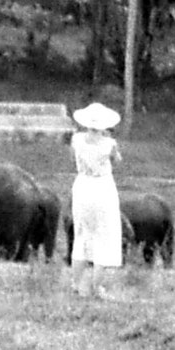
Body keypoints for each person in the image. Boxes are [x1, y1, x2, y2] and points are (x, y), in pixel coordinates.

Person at [69, 101, 123, 269]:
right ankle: (97, 284)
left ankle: (77, 283)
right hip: (102, 186)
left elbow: (74, 158)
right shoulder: (109, 144)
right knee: (104, 234)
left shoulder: (76, 139)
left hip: (82, 183)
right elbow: (117, 162)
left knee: (81, 233)